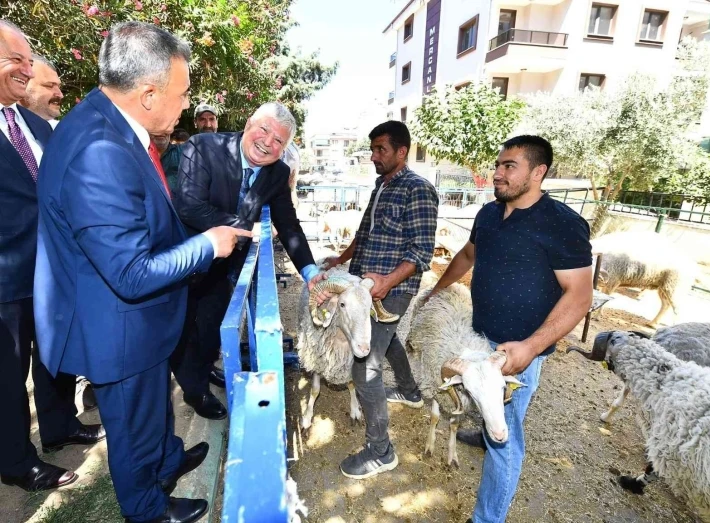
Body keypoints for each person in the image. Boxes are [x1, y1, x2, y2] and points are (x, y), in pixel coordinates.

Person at [34, 21, 250, 523]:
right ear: (149, 93)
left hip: (139, 319)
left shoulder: (111, 121)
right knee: (132, 424)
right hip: (117, 324)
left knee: (153, 409)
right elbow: (130, 272)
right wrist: (208, 244)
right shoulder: (99, 151)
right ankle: (148, 508)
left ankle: (167, 461)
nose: (186, 105)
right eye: (183, 93)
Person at [429, 136, 593, 523]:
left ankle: (486, 518)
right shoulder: (488, 214)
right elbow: (468, 254)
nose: (497, 173)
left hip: (516, 353)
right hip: (477, 337)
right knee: (482, 404)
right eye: (498, 165)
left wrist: (532, 347)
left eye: (509, 166)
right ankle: (485, 427)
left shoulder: (563, 225)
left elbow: (580, 296)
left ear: (538, 173)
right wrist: (435, 291)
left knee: (506, 441)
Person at [0, 19, 105, 493]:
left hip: (54, 271)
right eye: (13, 59)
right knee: (8, 375)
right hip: (6, 280)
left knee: (55, 357)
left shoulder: (37, 124)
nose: (24, 68)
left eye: (27, 59)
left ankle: (60, 426)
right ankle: (17, 461)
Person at [173, 101, 325, 420]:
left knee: (212, 326)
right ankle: (195, 391)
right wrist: (247, 227)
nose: (268, 143)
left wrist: (310, 271)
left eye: (279, 141)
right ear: (248, 124)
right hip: (184, 259)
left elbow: (289, 223)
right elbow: (189, 206)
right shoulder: (202, 147)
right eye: (264, 130)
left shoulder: (278, 172)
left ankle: (203, 371)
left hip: (222, 266)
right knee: (184, 330)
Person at [324, 121, 438, 480]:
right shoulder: (381, 185)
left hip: (392, 290)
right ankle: (409, 390)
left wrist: (388, 282)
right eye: (372, 149)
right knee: (384, 342)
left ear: (401, 152)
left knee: (365, 366)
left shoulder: (418, 190)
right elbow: (364, 233)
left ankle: (380, 451)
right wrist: (341, 259)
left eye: (381, 150)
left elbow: (422, 252)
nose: (374, 156)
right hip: (363, 286)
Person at [19, 54, 62, 128]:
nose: (60, 95)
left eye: (59, 87)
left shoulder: (61, 131)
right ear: (22, 84)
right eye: (49, 86)